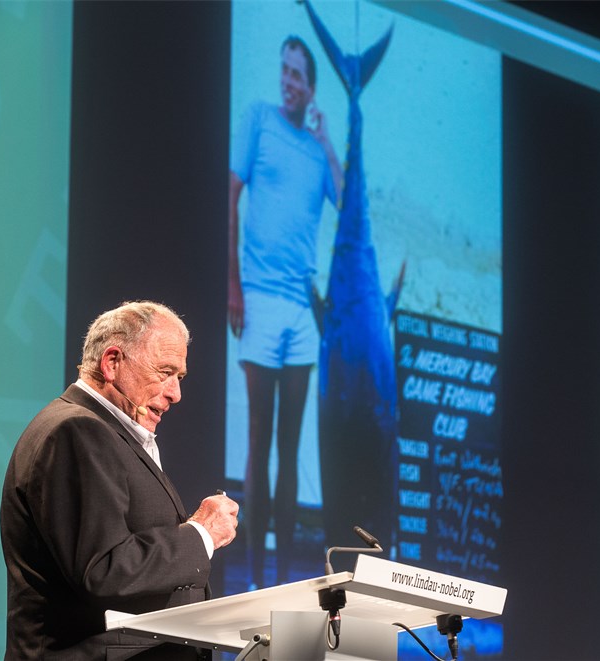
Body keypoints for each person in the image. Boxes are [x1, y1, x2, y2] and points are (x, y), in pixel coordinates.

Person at [0, 301, 239, 660]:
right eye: (165, 372)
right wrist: (201, 533)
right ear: (112, 363)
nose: (176, 393)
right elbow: (105, 570)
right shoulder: (76, 431)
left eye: (180, 377)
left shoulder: (105, 431)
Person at [228, 35, 342, 589]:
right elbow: (230, 197)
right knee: (258, 439)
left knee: (292, 446)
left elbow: (347, 200)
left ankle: (279, 577)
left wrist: (327, 138)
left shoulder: (317, 148)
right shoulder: (258, 119)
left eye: (299, 75)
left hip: (302, 310)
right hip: (260, 297)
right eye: (285, 71)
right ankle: (250, 575)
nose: (289, 81)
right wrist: (233, 285)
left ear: (311, 86)